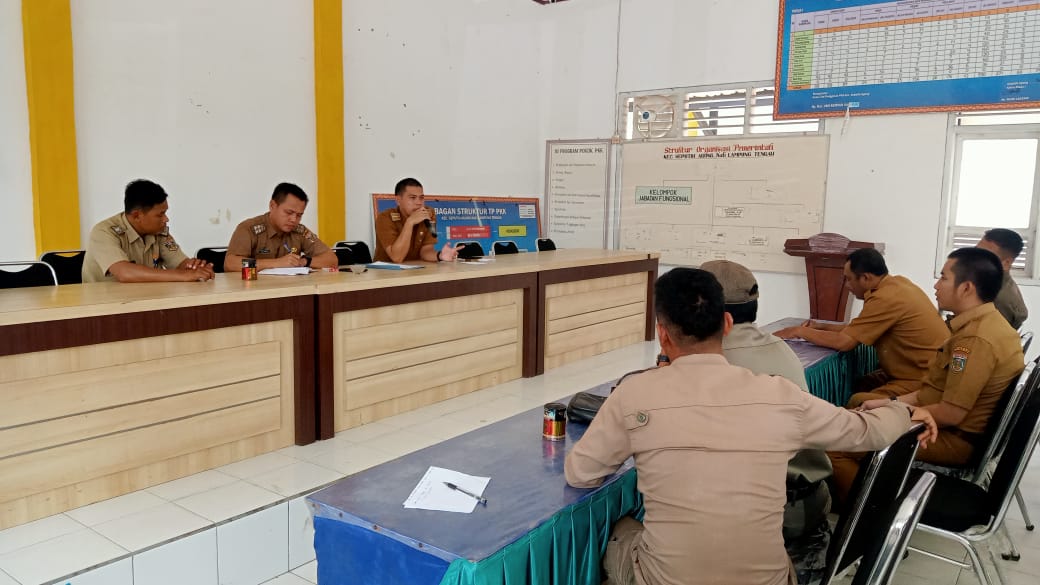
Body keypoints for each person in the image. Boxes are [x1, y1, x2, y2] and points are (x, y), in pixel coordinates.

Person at [564, 267, 937, 585]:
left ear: (662, 333)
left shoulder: (634, 393)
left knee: (617, 534)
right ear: (727, 324)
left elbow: (582, 474)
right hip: (768, 578)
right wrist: (904, 411)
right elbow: (868, 432)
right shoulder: (779, 395)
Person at [829, 248, 1024, 503]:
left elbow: (951, 413)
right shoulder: (984, 324)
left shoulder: (975, 341)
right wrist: (889, 404)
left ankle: (866, 517)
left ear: (966, 288)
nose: (935, 285)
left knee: (838, 445)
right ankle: (861, 484)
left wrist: (892, 416)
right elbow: (933, 391)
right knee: (860, 404)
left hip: (953, 439)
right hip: (946, 426)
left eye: (943, 278)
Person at [700, 260, 831, 581]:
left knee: (625, 536)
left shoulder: (714, 362)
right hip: (811, 501)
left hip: (770, 516)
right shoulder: (779, 346)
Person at [775, 248, 948, 407]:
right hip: (922, 371)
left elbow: (844, 342)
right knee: (858, 383)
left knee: (857, 401)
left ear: (866, 278)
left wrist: (799, 331)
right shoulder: (897, 284)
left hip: (924, 379)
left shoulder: (885, 298)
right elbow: (858, 329)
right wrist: (821, 326)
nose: (847, 286)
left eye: (849, 279)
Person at [82, 179, 215, 283]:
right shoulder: (104, 232)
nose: (166, 219)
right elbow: (124, 273)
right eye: (160, 214)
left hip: (147, 300)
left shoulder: (159, 231)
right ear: (137, 215)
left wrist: (196, 268)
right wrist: (183, 275)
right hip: (103, 307)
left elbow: (179, 264)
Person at [224, 182, 338, 271]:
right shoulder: (249, 229)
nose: (294, 220)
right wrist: (275, 263)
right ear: (272, 205)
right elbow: (231, 263)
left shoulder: (300, 231)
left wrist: (303, 262)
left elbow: (331, 259)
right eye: (289, 212)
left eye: (299, 215)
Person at [373, 178, 461, 263]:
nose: (419, 202)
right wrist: (410, 222)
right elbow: (397, 258)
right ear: (398, 200)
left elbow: (426, 251)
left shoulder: (429, 214)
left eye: (421, 198)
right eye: (413, 198)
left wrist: (440, 256)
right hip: (386, 273)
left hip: (415, 270)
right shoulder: (385, 218)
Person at [977, 228, 1028, 329]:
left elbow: (983, 340)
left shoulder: (999, 299)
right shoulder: (986, 279)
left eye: (985, 255)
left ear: (1006, 263)